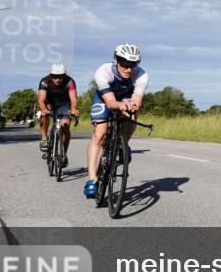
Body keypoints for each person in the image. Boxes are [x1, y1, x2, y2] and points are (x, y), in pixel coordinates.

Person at [84, 44, 148, 198]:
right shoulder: (103, 72)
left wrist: (134, 105)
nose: (129, 69)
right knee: (100, 134)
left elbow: (137, 99)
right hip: (104, 99)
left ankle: (122, 143)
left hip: (126, 97)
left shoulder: (141, 75)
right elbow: (111, 103)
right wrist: (120, 106)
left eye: (133, 64)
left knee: (132, 114)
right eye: (124, 64)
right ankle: (92, 179)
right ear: (116, 60)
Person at [36, 63, 79, 167]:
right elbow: (41, 99)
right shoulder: (45, 81)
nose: (57, 79)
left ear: (64, 75)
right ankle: (44, 139)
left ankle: (63, 153)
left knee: (65, 125)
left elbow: (73, 98)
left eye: (60, 77)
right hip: (49, 103)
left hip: (64, 103)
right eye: (54, 77)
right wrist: (44, 110)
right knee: (44, 114)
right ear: (50, 75)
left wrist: (73, 109)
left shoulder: (70, 82)